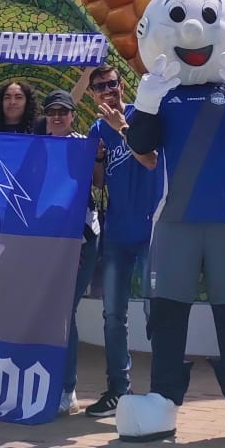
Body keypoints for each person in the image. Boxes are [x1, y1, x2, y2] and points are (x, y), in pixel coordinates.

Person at [120, 0, 225, 447]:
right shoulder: (161, 96)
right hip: (173, 222)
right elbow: (140, 143)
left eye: (207, 20)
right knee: (167, 313)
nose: (192, 31)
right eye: (178, 19)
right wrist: (146, 102)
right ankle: (162, 397)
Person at [80, 63, 158, 419]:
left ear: (122, 85)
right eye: (100, 87)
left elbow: (151, 161)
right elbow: (99, 181)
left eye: (112, 84)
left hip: (151, 230)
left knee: (157, 311)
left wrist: (121, 128)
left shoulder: (144, 115)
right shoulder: (96, 128)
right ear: (93, 95)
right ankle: (118, 389)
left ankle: (162, 391)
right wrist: (98, 156)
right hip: (117, 233)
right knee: (113, 314)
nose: (107, 91)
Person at [40, 88, 101, 415]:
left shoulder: (83, 144)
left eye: (62, 111)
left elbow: (96, 183)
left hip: (80, 240)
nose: (57, 117)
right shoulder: (38, 146)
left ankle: (67, 389)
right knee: (48, 312)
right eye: (52, 112)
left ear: (72, 115)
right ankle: (46, 383)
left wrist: (74, 240)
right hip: (48, 241)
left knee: (64, 311)